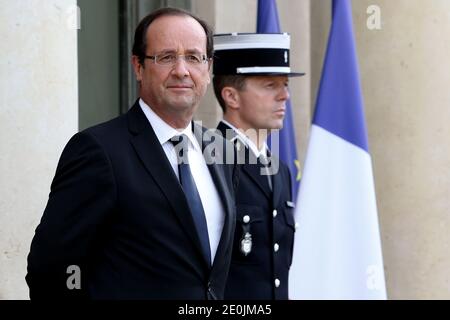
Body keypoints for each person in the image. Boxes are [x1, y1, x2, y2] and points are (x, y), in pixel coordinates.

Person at [26, 8, 237, 300]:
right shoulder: (99, 151)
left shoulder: (219, 151)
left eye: (193, 57)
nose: (181, 70)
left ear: (208, 67)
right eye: (165, 57)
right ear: (138, 66)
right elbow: (49, 269)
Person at [212, 33, 304, 299]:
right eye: (269, 85)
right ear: (231, 96)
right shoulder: (209, 159)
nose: (284, 96)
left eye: (285, 85)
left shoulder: (280, 170)